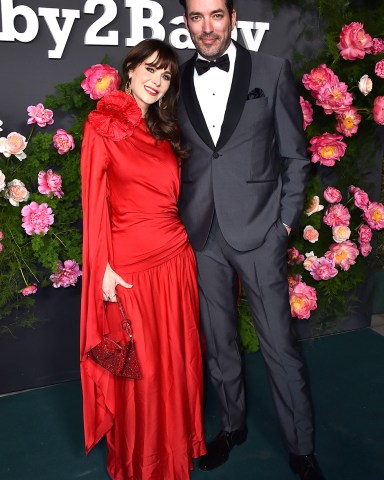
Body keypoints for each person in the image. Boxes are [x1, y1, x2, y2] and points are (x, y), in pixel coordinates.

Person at [177, 1, 325, 479]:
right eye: (196, 17)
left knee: (280, 344)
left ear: (233, 17)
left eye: (215, 15)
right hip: (203, 233)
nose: (207, 27)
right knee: (218, 341)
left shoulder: (273, 70)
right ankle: (232, 427)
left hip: (261, 229)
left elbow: (296, 157)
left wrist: (283, 223)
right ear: (186, 23)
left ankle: (301, 446)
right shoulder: (176, 79)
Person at [80, 38, 206, 480]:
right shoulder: (102, 126)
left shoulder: (166, 130)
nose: (156, 80)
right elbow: (94, 203)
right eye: (150, 69)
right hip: (130, 268)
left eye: (166, 74)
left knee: (177, 360)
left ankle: (175, 449)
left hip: (175, 261)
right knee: (144, 370)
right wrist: (103, 269)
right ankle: (144, 461)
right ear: (129, 69)